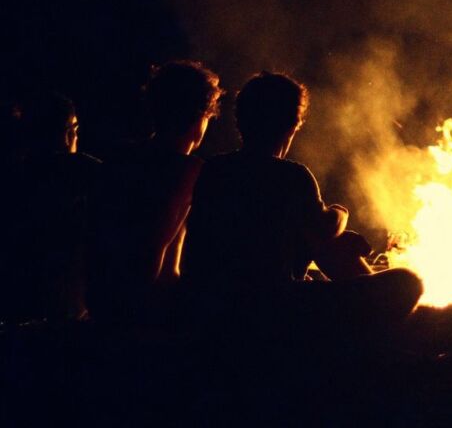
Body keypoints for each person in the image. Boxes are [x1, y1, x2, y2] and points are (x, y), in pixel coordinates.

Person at [182, 71, 422, 336]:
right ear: (292, 126)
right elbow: (326, 229)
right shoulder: (291, 176)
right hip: (270, 313)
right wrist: (340, 213)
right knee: (407, 283)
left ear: (240, 121)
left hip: (208, 310)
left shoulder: (213, 170)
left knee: (331, 250)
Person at [86, 60, 222, 325]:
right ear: (200, 116)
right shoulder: (188, 170)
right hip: (148, 316)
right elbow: (148, 255)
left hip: (100, 305)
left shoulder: (118, 159)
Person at [1, 92, 100, 322]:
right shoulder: (83, 171)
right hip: (68, 308)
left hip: (16, 303)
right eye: (71, 129)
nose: (73, 137)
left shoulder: (13, 175)